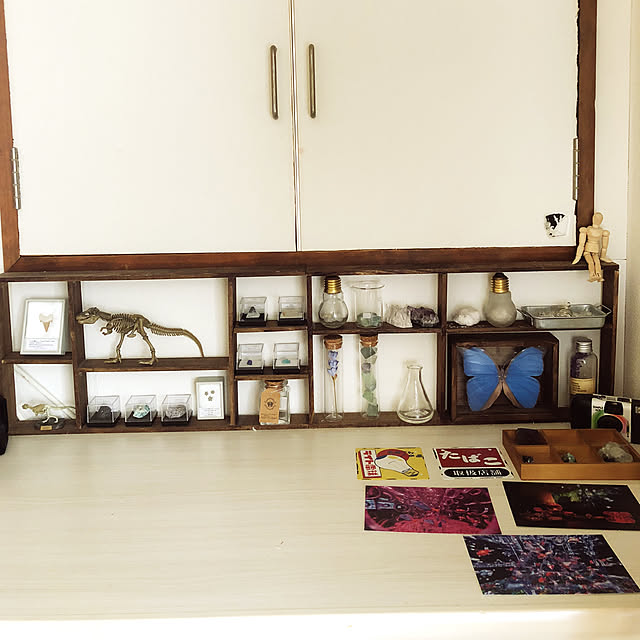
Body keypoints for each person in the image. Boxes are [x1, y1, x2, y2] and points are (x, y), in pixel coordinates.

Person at [572, 212, 613, 282]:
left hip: (595, 250)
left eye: (599, 219)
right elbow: (581, 244)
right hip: (587, 250)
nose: (597, 220)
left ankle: (598, 275)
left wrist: (603, 256)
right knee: (591, 262)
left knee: (597, 262)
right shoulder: (588, 229)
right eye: (596, 218)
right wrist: (578, 256)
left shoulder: (601, 231)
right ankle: (592, 275)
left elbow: (604, 247)